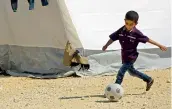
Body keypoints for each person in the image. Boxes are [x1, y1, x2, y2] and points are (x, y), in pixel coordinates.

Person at [102, 10, 167, 91]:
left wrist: (159, 45)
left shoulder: (136, 33)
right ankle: (148, 79)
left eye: (131, 24)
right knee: (132, 72)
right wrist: (106, 45)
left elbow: (147, 39)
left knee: (121, 72)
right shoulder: (122, 30)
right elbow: (113, 38)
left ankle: (115, 89)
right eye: (127, 23)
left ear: (136, 23)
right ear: (124, 21)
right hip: (124, 55)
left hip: (131, 56)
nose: (128, 26)